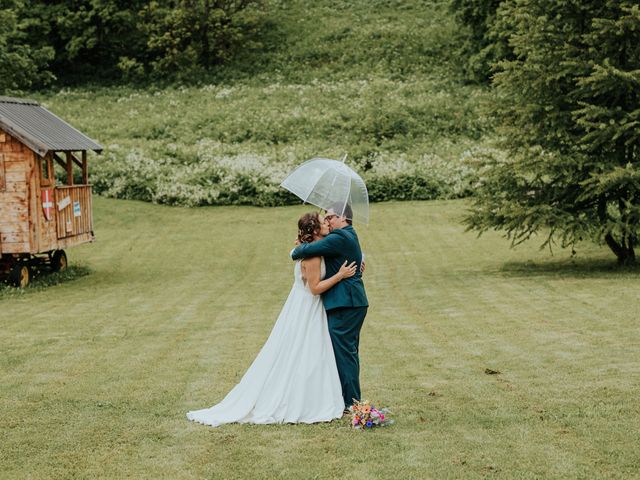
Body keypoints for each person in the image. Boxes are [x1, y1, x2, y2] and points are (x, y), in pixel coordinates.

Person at [187, 212, 357, 427]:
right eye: (324, 222)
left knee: (309, 352)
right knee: (303, 351)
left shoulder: (319, 250)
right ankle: (303, 399)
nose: (328, 224)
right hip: (308, 307)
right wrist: (339, 276)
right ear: (315, 230)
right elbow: (314, 289)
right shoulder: (313, 257)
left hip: (308, 307)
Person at [290, 203, 368, 410]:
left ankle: (351, 403)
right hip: (349, 301)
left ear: (343, 217)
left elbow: (303, 250)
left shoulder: (339, 237)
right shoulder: (348, 235)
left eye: (330, 217)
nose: (328, 222)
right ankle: (348, 399)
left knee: (345, 354)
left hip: (345, 303)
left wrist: (295, 249)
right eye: (324, 219)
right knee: (346, 352)